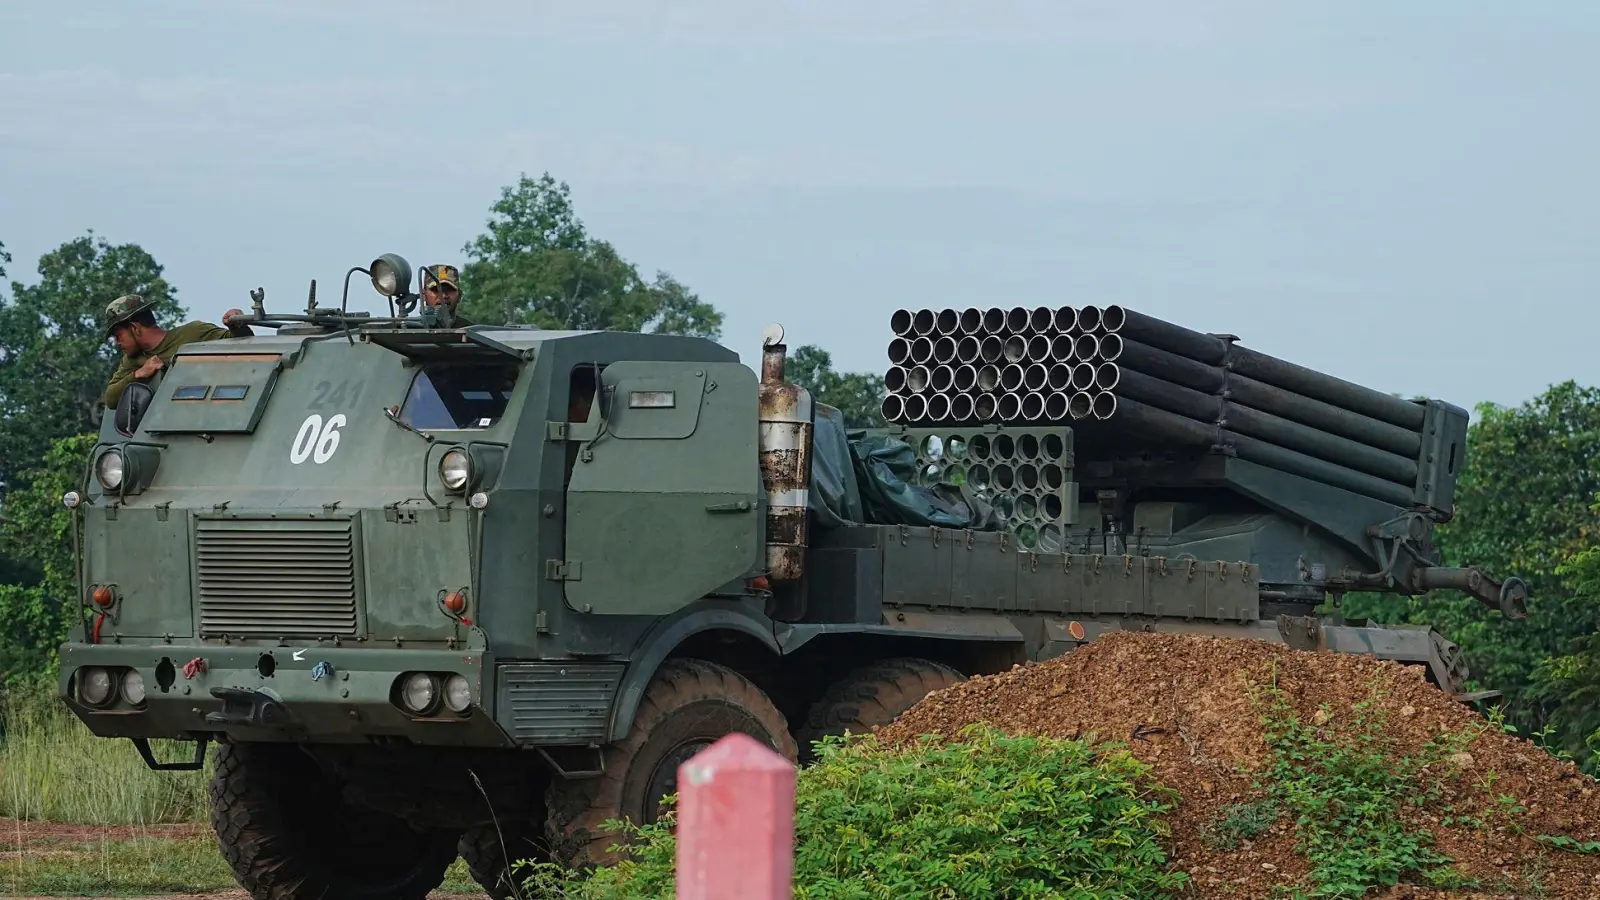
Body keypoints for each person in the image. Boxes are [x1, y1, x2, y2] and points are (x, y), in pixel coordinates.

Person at [101, 294, 253, 409]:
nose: (117, 343)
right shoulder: (131, 360)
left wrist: (236, 325)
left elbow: (244, 344)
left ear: (135, 328)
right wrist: (139, 374)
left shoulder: (194, 333)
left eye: (118, 335)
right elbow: (111, 399)